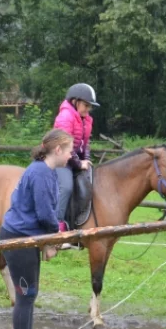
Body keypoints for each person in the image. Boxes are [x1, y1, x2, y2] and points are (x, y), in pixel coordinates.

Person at [0, 129, 73, 329]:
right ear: (58, 150)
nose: (71, 156)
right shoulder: (41, 173)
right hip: (19, 239)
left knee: (30, 295)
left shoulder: (44, 171)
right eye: (69, 151)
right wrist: (54, 238)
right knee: (25, 296)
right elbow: (45, 213)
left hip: (27, 238)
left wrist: (47, 242)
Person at [52, 83, 98, 237]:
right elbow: (64, 144)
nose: (88, 109)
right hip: (60, 158)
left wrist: (86, 159)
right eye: (86, 105)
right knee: (66, 187)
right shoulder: (65, 116)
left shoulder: (86, 119)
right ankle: (57, 225)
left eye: (90, 106)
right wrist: (78, 163)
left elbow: (85, 143)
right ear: (75, 101)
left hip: (73, 159)